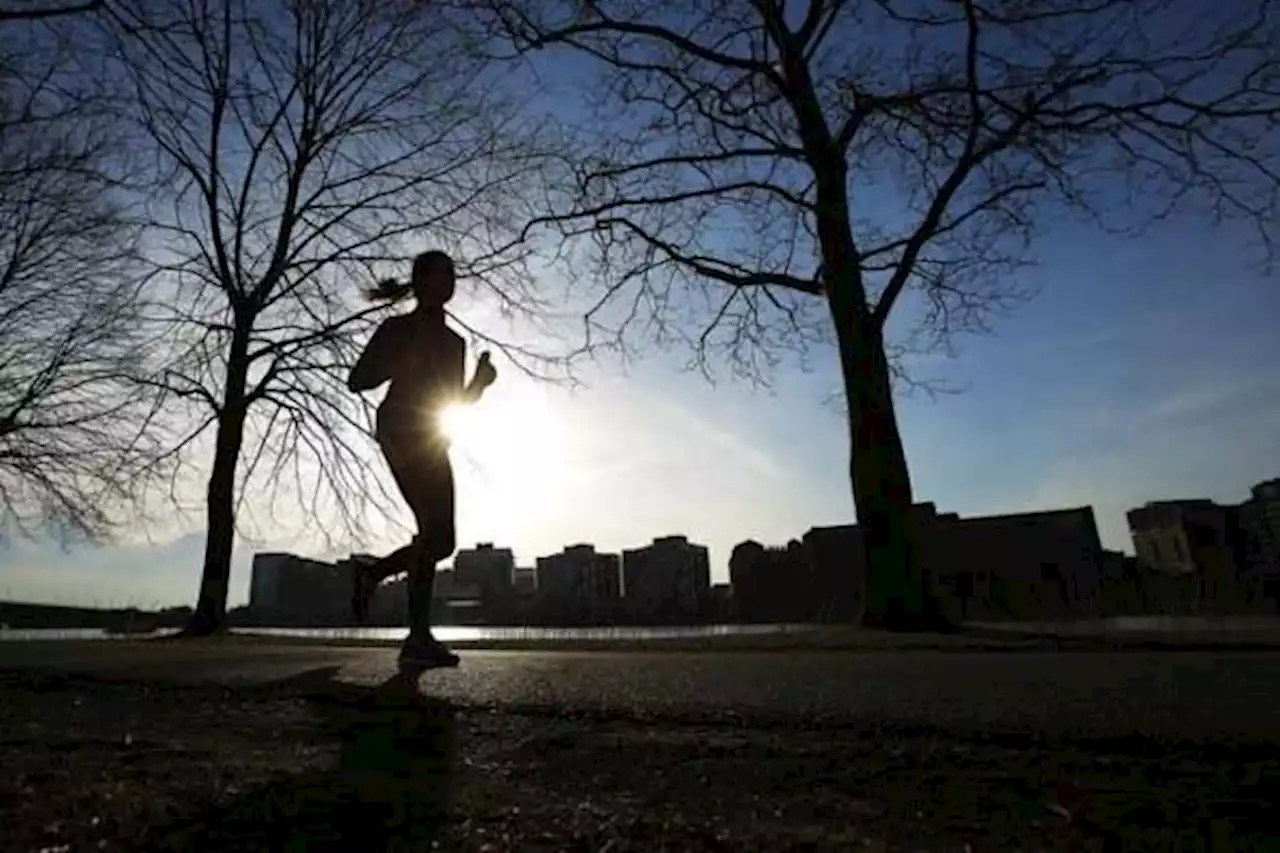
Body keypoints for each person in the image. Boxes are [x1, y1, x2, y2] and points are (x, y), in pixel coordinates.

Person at [346, 250, 497, 669]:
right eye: (438, 276)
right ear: (420, 281)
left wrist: (479, 385)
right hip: (398, 429)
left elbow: (453, 402)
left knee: (442, 540)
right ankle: (417, 638)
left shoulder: (455, 343)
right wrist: (399, 358)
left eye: (451, 277)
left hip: (433, 437)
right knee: (432, 531)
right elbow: (357, 381)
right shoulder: (397, 328)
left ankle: (373, 575)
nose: (446, 283)